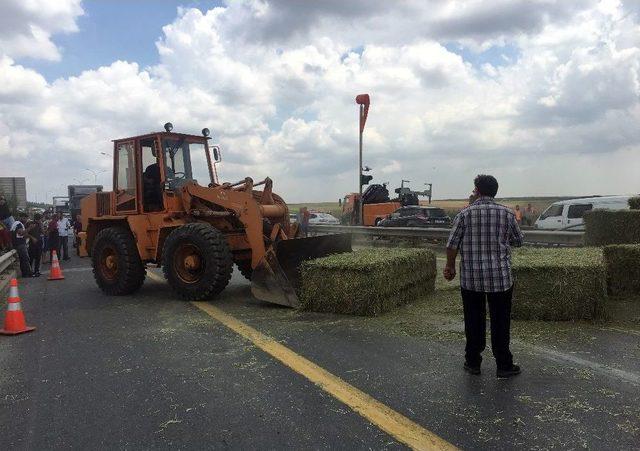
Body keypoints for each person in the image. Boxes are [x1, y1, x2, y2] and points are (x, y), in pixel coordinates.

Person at [444, 175, 524, 378]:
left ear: (477, 191)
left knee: (473, 320)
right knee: (500, 321)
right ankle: (504, 365)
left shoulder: (464, 214)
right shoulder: (507, 214)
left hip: (471, 279)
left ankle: (473, 363)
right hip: (500, 278)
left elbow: (452, 244)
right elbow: (518, 241)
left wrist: (450, 267)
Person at [11, 212, 32, 278]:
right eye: (24, 218)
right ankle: (27, 274)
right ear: (20, 217)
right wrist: (29, 228)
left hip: (19, 243)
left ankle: (25, 274)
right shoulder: (18, 224)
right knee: (25, 259)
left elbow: (22, 235)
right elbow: (20, 233)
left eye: (26, 218)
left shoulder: (19, 224)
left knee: (23, 259)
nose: (25, 219)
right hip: (19, 244)